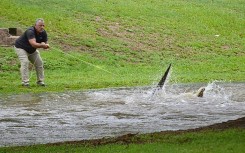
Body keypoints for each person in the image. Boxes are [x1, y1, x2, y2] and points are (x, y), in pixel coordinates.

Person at [14, 18, 50, 87]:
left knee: (39, 63)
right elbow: (33, 44)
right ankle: (25, 83)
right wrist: (42, 45)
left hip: (32, 50)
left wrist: (45, 45)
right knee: (25, 62)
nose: (42, 27)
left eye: (43, 25)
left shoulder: (43, 32)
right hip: (21, 48)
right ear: (35, 25)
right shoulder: (30, 31)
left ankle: (40, 81)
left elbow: (45, 43)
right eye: (40, 25)